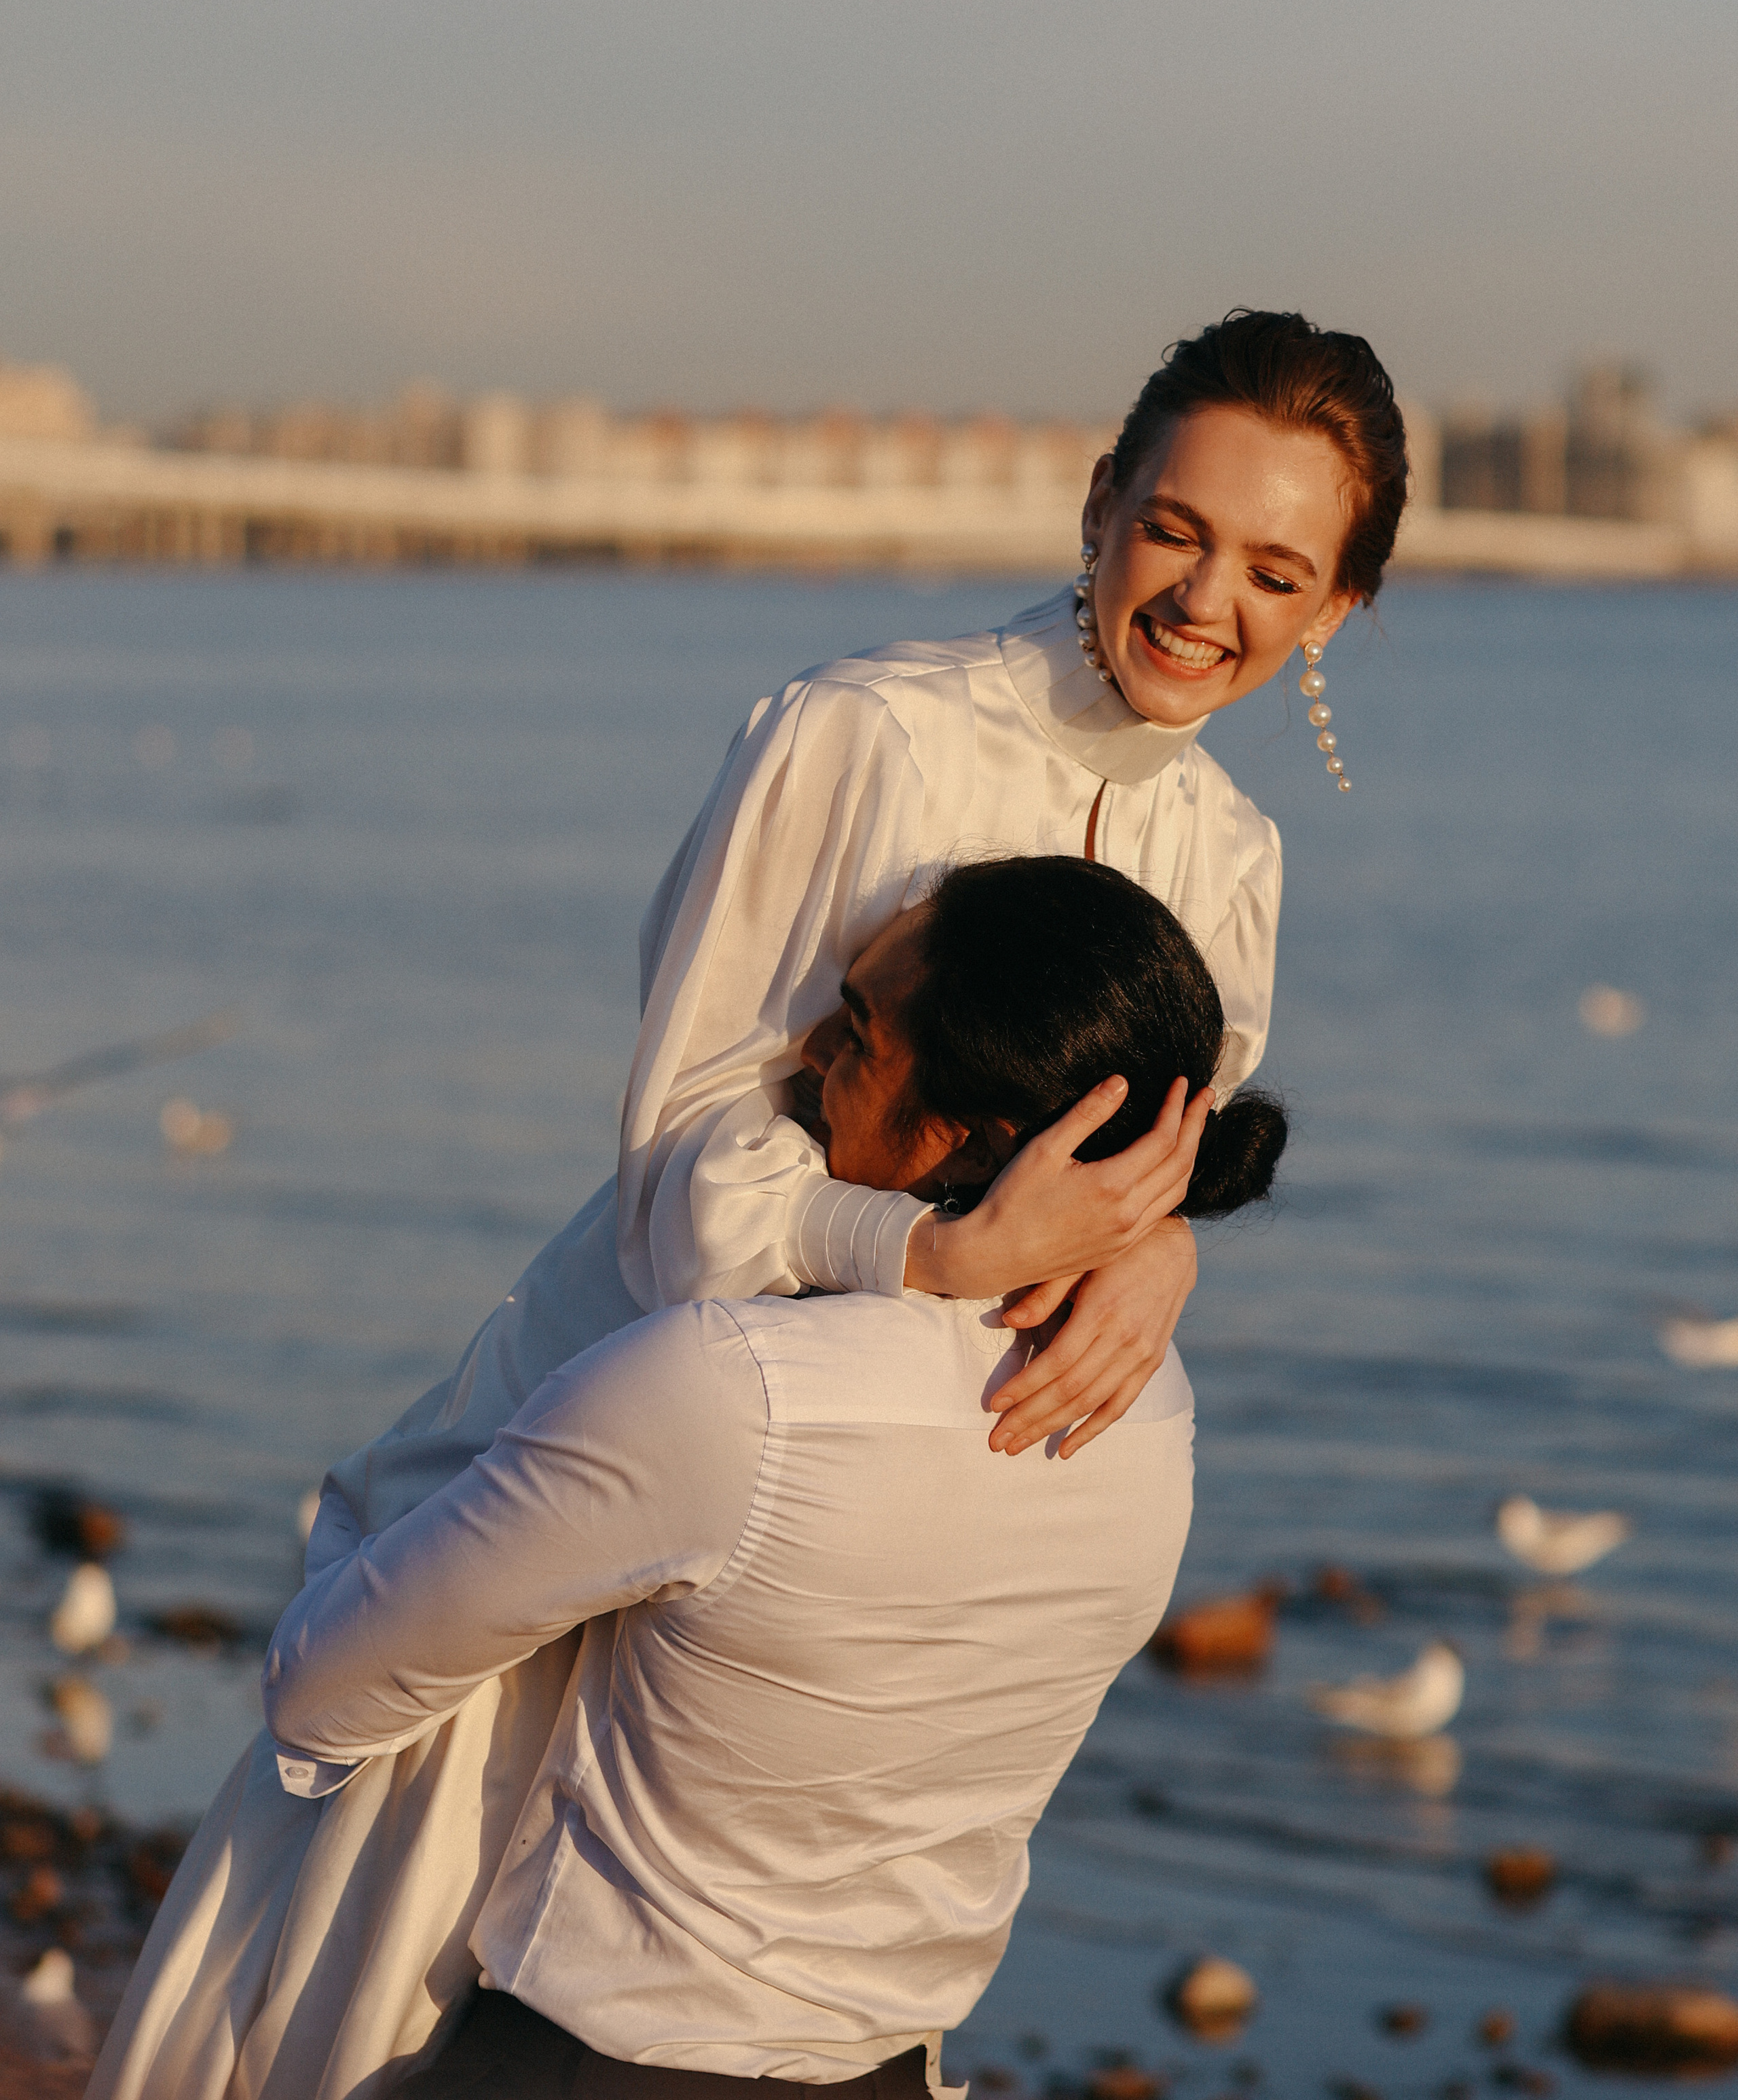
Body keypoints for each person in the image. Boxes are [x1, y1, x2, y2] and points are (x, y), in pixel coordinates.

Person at [90, 310, 1405, 2100]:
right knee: (412, 1990)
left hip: (868, 1552)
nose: (1204, 598)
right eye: (1175, 527)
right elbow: (674, 1165)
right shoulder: (862, 737)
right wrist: (923, 1254)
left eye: (1276, 567)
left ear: (1336, 610)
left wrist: (1159, 1253)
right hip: (636, 1445)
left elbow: (1145, 1171)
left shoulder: (1235, 865)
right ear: (1100, 504)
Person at [264, 857, 1287, 2096]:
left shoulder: (728, 1391)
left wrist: (370, 1518)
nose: (804, 1052)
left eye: (858, 1033)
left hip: (600, 2065)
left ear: (978, 1135)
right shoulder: (1151, 1412)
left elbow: (319, 1689)